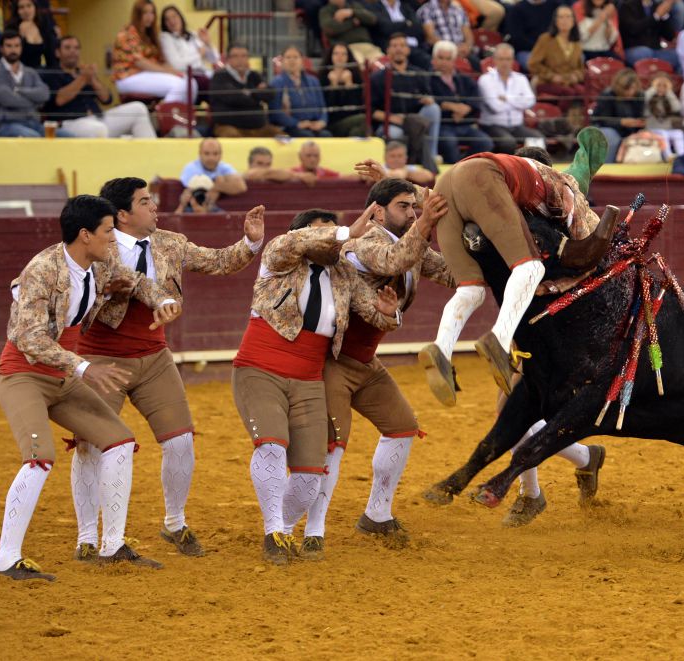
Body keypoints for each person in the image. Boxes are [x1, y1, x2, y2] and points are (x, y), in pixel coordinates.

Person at [65, 178, 263, 561]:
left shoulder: (169, 242)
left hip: (154, 358)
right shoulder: (98, 248)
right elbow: (120, 287)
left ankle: (174, 522)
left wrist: (250, 242)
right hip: (102, 359)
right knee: (89, 446)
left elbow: (217, 261)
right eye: (144, 201)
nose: (154, 207)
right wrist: (161, 297)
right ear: (122, 214)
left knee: (180, 441)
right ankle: (87, 537)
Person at [0, 194, 180, 581]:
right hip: (24, 374)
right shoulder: (42, 269)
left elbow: (138, 281)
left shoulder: (100, 263)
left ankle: (112, 545)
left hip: (63, 377)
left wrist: (162, 299)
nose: (115, 238)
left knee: (120, 442)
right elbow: (28, 337)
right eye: (109, 231)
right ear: (84, 234)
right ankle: (5, 559)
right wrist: (84, 367)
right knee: (40, 457)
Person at [287, 183, 452, 553]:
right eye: (403, 206)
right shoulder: (361, 243)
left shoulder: (411, 242)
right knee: (333, 446)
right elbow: (393, 260)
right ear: (377, 212)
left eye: (414, 206)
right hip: (331, 362)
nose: (411, 212)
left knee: (402, 427)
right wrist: (427, 221)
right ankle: (312, 530)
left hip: (364, 362)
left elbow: (453, 274)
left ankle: (377, 514)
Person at [231, 206, 400, 564]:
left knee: (310, 472)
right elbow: (296, 241)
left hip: (309, 376)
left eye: (333, 228)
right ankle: (273, 531)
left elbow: (372, 311)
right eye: (321, 230)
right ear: (302, 234)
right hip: (260, 366)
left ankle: (285, 529)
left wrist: (388, 314)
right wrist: (344, 231)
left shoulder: (344, 274)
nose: (330, 235)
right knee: (272, 445)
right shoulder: (279, 257)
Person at [417, 127, 609, 401]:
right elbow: (588, 243)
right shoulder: (565, 183)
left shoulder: (514, 173)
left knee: (470, 289)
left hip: (444, 183)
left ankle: (442, 350)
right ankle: (500, 340)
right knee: (531, 267)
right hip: (481, 178)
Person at [41, 35, 157, 139]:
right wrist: (82, 79)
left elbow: (107, 99)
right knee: (99, 129)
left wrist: (93, 80)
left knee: (138, 108)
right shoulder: (51, 73)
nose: (73, 51)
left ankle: (153, 157)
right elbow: (58, 100)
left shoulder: (83, 72)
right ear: (57, 52)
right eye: (67, 48)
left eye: (76, 48)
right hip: (69, 123)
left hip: (98, 117)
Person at [370, 33, 441, 174]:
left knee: (433, 109)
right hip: (392, 122)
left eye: (402, 45)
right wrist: (391, 117)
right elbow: (372, 111)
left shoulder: (418, 73)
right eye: (394, 46)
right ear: (387, 50)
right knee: (395, 133)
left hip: (415, 120)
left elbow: (428, 97)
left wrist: (428, 100)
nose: (399, 49)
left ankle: (432, 154)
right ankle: (406, 165)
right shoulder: (377, 78)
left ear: (408, 50)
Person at [111, 0, 195, 105]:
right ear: (137, 14)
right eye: (145, 13)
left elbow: (161, 60)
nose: (149, 17)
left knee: (190, 82)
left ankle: (184, 118)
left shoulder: (149, 34)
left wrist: (175, 71)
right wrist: (169, 72)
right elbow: (140, 62)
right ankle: (165, 118)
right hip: (127, 77)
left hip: (146, 74)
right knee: (179, 86)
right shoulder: (128, 32)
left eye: (152, 13)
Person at [430, 40, 495, 164]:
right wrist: (450, 106)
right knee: (449, 142)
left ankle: (466, 167)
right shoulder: (427, 78)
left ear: (454, 61)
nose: (444, 62)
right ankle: (454, 173)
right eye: (440, 58)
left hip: (465, 124)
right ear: (433, 59)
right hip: (444, 125)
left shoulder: (464, 78)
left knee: (485, 142)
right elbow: (427, 99)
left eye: (448, 59)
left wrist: (467, 109)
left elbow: (476, 98)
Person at [478, 43, 544, 153]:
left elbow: (530, 100)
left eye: (508, 59)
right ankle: (509, 169)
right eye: (501, 59)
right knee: (508, 143)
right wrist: (518, 101)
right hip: (492, 125)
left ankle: (533, 169)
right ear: (494, 60)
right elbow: (496, 107)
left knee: (538, 138)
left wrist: (507, 98)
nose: (505, 63)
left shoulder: (521, 78)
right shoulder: (485, 80)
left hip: (516, 125)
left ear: (513, 60)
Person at [209, 43, 282, 138]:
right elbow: (233, 98)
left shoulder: (254, 75)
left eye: (244, 56)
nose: (240, 60)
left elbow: (270, 93)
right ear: (228, 59)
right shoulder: (219, 76)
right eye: (235, 56)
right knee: (231, 138)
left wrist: (248, 93)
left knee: (283, 137)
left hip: (259, 127)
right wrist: (256, 94)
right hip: (229, 127)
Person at [0, 29, 49, 137]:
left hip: (34, 124)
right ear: (1, 49)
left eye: (17, 46)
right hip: (7, 125)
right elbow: (9, 100)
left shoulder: (30, 72)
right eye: (9, 46)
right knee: (33, 137)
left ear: (21, 48)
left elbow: (44, 94)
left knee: (67, 136)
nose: (13, 50)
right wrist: (34, 101)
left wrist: (19, 90)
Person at [528, 4, 586, 114]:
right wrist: (552, 76)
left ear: (573, 21)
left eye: (568, 17)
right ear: (555, 21)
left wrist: (576, 76)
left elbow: (581, 68)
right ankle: (558, 120)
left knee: (583, 92)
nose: (565, 20)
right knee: (568, 93)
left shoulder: (576, 43)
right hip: (546, 82)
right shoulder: (545, 39)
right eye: (561, 17)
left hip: (568, 82)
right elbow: (533, 64)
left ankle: (578, 123)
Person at [270, 44, 331, 138]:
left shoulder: (313, 81)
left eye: (295, 57)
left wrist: (322, 121)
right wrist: (297, 123)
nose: (292, 60)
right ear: (282, 61)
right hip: (290, 126)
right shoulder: (276, 82)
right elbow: (275, 112)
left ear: (302, 60)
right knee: (307, 136)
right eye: (288, 57)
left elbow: (322, 107)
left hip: (313, 124)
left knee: (326, 135)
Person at [159, 3, 220, 94]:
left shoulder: (193, 35)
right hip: (188, 77)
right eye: (167, 19)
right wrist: (198, 55)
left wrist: (208, 43)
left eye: (174, 16)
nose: (172, 21)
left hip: (204, 73)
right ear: (164, 24)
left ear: (180, 17)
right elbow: (177, 65)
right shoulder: (166, 38)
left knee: (225, 80)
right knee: (217, 87)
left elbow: (214, 59)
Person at [176, 138, 248, 213]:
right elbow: (196, 191)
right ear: (200, 154)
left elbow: (241, 186)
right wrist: (219, 185)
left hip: (212, 209)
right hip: (191, 209)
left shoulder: (223, 167)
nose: (211, 158)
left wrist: (216, 187)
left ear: (220, 155)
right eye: (207, 153)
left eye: (215, 153)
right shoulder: (191, 168)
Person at [594, 67, 647, 162]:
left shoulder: (639, 95)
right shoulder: (608, 95)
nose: (631, 92)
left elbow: (640, 115)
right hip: (608, 128)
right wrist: (621, 122)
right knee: (611, 137)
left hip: (631, 129)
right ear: (619, 87)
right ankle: (606, 169)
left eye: (633, 89)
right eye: (627, 89)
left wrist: (640, 123)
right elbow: (601, 119)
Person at [320, 43, 368, 137]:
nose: (340, 57)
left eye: (343, 54)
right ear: (330, 56)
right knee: (363, 119)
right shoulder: (323, 77)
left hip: (351, 120)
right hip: (331, 123)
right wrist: (333, 86)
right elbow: (328, 108)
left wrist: (349, 85)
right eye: (336, 54)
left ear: (348, 57)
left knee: (356, 131)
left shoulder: (356, 77)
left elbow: (356, 108)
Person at [366, 0, 431, 69]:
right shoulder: (375, 6)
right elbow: (386, 28)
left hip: (415, 46)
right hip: (390, 47)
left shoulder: (404, 5)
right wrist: (406, 24)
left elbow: (418, 28)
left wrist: (396, 26)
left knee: (429, 60)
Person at [617, 0, 679, 69]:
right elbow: (633, 29)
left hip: (656, 51)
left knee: (678, 55)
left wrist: (664, 15)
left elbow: (670, 36)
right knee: (645, 52)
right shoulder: (627, 6)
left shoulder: (657, 6)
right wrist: (656, 16)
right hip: (634, 49)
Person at [319, 0, 382, 65]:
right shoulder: (326, 11)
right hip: (347, 48)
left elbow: (372, 19)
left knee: (383, 64)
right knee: (359, 64)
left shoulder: (354, 6)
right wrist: (352, 23)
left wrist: (352, 12)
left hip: (367, 45)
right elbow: (329, 29)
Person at [507, 0, 565, 69]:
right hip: (528, 51)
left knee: (576, 58)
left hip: (554, 49)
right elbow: (517, 38)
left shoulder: (556, 6)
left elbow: (563, 32)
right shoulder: (517, 9)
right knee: (534, 63)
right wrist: (540, 49)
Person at [417, 0, 476, 66]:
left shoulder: (459, 9)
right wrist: (453, 49)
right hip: (442, 52)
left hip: (462, 51)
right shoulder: (426, 10)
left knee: (477, 64)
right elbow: (430, 37)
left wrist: (467, 47)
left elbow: (468, 34)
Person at [644, 72, 684, 157]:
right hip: (652, 129)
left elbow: (677, 108)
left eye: (664, 85)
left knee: (679, 133)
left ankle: (682, 156)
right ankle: (668, 156)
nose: (661, 88)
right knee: (663, 134)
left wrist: (669, 92)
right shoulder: (648, 97)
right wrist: (654, 89)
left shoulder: (668, 98)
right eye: (658, 85)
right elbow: (643, 100)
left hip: (667, 129)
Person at [5, 0, 57, 69]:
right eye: (21, 7)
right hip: (18, 71)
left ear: (35, 7)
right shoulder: (11, 29)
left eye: (29, 6)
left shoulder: (43, 26)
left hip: (39, 72)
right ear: (17, 11)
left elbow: (51, 55)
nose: (26, 11)